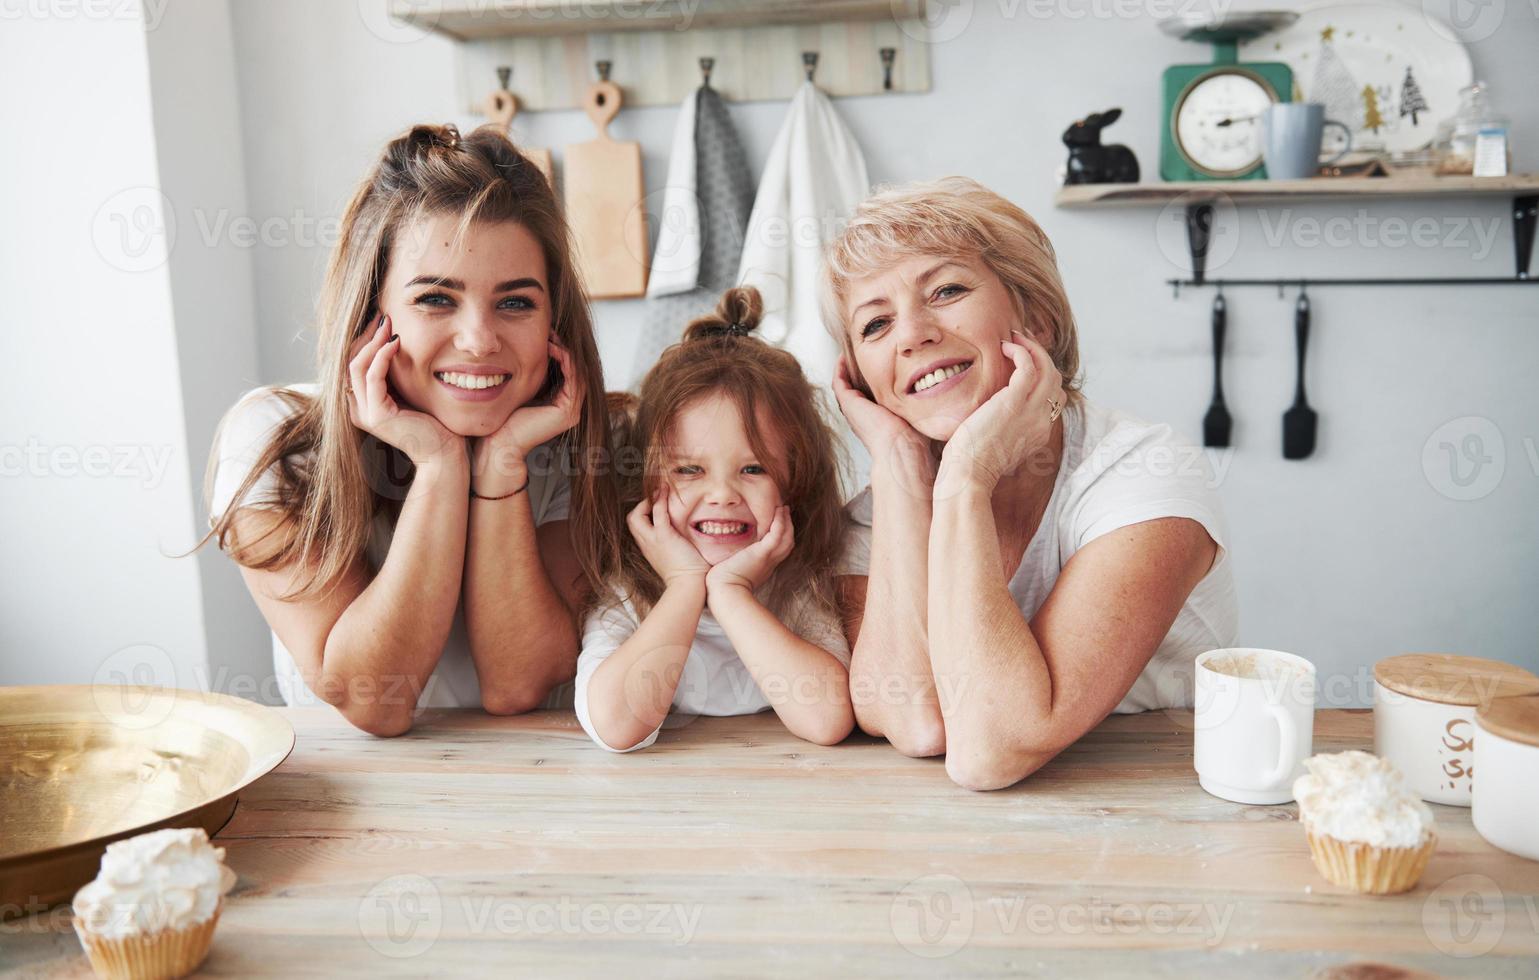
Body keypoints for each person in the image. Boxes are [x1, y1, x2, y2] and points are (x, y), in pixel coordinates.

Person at [204, 124, 620, 736]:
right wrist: (440, 463)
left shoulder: (578, 442)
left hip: (543, 792)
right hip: (348, 804)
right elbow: (374, 698)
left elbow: (519, 683)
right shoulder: (276, 438)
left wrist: (501, 463)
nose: (479, 340)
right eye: (435, 299)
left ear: (553, 319)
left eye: (515, 303)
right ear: (373, 311)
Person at [824, 177, 1238, 790]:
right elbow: (918, 725)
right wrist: (902, 467)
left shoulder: (1143, 470)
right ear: (861, 379)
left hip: (1165, 805)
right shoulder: (880, 506)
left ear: (1037, 321)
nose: (912, 334)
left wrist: (965, 477)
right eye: (875, 326)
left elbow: (991, 749)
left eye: (946, 290)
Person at [574, 287, 854, 752]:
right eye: (689, 470)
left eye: (753, 469)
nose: (723, 495)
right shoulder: (629, 594)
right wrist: (685, 584)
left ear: (795, 484)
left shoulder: (802, 586)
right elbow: (615, 727)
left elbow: (825, 719)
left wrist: (730, 592)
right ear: (644, 482)